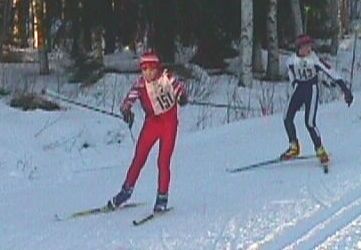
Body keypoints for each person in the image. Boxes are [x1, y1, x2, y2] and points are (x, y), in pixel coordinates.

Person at [107, 51, 188, 212]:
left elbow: (180, 90)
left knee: (163, 161)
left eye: (151, 69)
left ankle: (162, 197)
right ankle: (126, 191)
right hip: (152, 123)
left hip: (169, 124)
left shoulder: (167, 78)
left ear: (157, 68)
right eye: (144, 69)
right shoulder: (140, 84)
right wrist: (126, 111)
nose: (148, 73)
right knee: (139, 157)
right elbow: (128, 100)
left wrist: (183, 97)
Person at [280, 34, 353, 164]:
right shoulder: (291, 61)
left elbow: (331, 72)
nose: (309, 49)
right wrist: (294, 84)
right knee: (287, 117)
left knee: (309, 122)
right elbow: (291, 74)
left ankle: (320, 149)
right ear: (299, 48)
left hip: (311, 89)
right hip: (299, 89)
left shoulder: (314, 59)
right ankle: (293, 146)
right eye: (306, 46)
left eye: (310, 46)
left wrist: (345, 90)